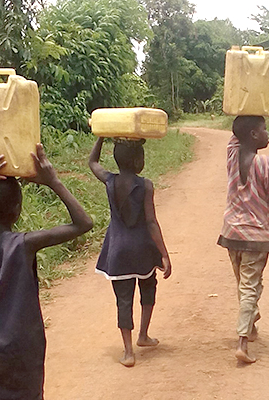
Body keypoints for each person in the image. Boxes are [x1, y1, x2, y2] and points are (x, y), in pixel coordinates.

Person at [0, 145, 93, 399]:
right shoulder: (25, 245)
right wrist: (53, 181)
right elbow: (83, 223)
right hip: (20, 356)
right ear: (18, 209)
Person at [89, 136, 172, 368]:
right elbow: (151, 222)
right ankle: (143, 335)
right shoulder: (145, 185)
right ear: (138, 161)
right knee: (148, 287)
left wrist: (100, 137)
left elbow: (92, 162)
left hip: (117, 250)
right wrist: (164, 253)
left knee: (123, 300)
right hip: (143, 249)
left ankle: (128, 352)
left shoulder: (109, 181)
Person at [217, 116, 269, 363]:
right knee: (250, 286)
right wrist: (268, 220)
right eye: (264, 129)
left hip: (231, 233)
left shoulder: (232, 157)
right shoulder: (264, 163)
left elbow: (236, 136)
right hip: (255, 236)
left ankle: (251, 323)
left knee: (243, 284)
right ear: (254, 135)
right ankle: (242, 342)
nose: (268, 134)